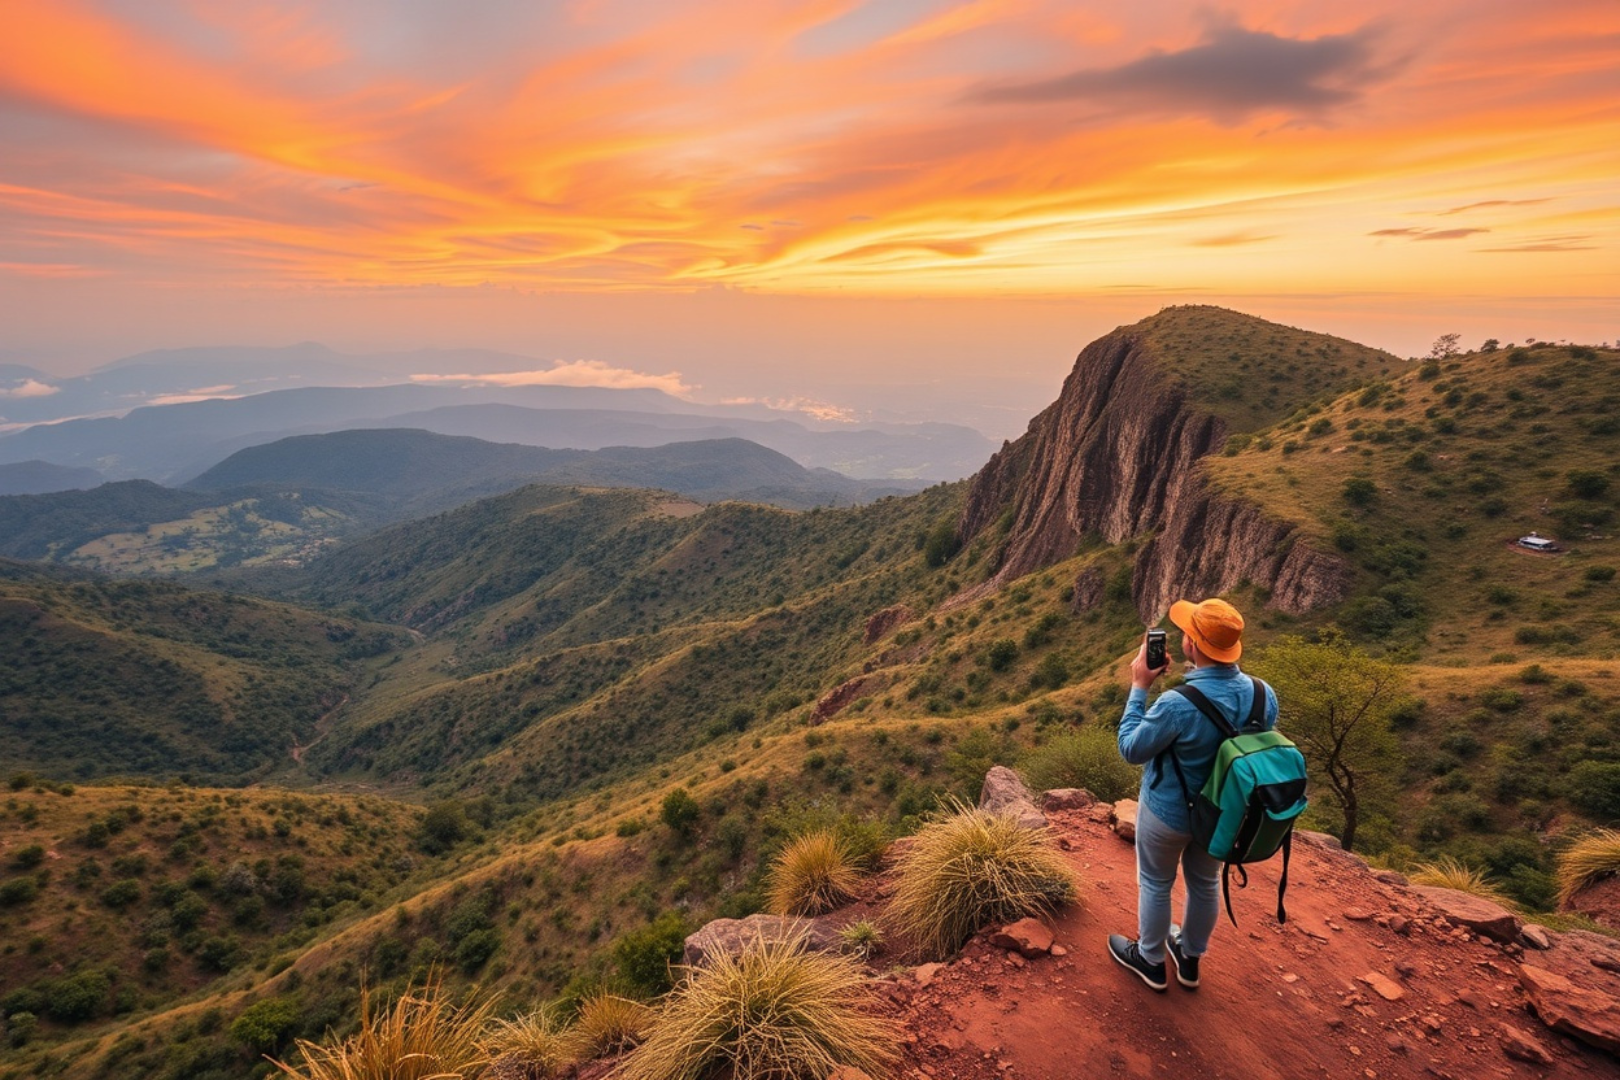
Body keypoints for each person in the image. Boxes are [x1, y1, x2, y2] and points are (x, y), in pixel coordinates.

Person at [1106, 597, 1277, 991]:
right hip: (1223, 813)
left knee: (1155, 881)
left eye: (1188, 632)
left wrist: (1140, 686)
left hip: (1168, 812)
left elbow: (1131, 749)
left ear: (1192, 644)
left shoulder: (1176, 704)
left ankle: (1150, 959)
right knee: (1205, 882)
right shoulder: (1262, 694)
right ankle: (1189, 957)